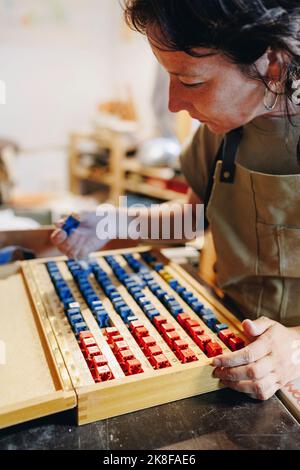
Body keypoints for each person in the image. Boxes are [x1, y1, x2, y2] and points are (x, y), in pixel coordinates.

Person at [52, 0, 300, 401]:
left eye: (191, 82)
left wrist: (294, 345)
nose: (172, 104)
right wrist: (115, 224)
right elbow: (191, 219)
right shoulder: (223, 133)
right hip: (230, 341)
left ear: (272, 65)